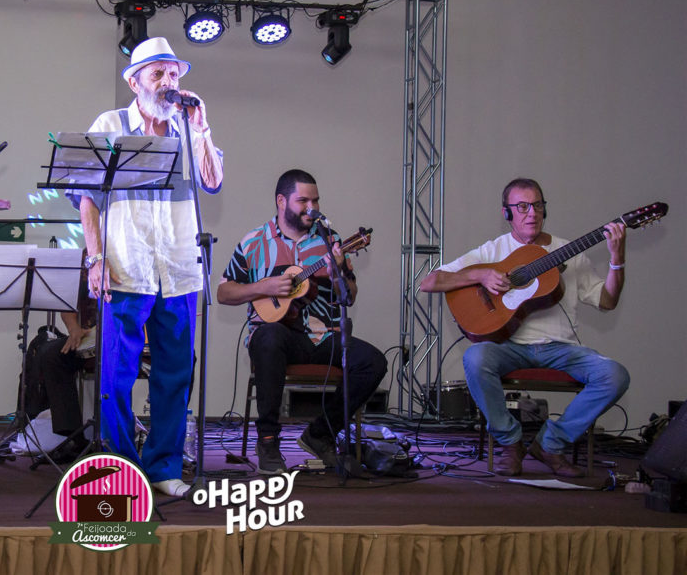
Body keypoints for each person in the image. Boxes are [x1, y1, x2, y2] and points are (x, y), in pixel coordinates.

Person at [69, 37, 223, 497]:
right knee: (116, 375)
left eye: (174, 73)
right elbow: (86, 198)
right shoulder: (111, 124)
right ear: (135, 83)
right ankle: (122, 469)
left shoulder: (187, 128)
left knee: (175, 373)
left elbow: (213, 181)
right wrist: (96, 259)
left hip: (179, 268)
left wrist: (201, 127)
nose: (168, 82)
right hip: (126, 266)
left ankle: (164, 468)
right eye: (158, 74)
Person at [418, 177, 630, 477]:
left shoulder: (568, 250)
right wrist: (481, 275)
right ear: (507, 213)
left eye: (538, 205)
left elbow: (607, 301)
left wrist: (617, 260)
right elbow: (430, 282)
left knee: (615, 375)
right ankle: (510, 442)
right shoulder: (493, 251)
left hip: (561, 349)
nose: (532, 213)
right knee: (475, 358)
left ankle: (551, 444)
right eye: (522, 207)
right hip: (509, 347)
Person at [217, 169, 387, 474]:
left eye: (316, 201)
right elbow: (223, 292)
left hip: (323, 335)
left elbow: (349, 298)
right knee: (269, 337)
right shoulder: (253, 242)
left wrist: (337, 272)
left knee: (373, 362)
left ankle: (320, 433)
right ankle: (268, 441)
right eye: (303, 201)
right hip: (276, 337)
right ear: (281, 201)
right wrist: (264, 287)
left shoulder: (331, 242)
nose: (312, 208)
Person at [23, 311, 94, 465]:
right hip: (89, 337)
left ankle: (116, 438)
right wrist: (74, 329)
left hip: (118, 334)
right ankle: (75, 439)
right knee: (51, 355)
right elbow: (68, 307)